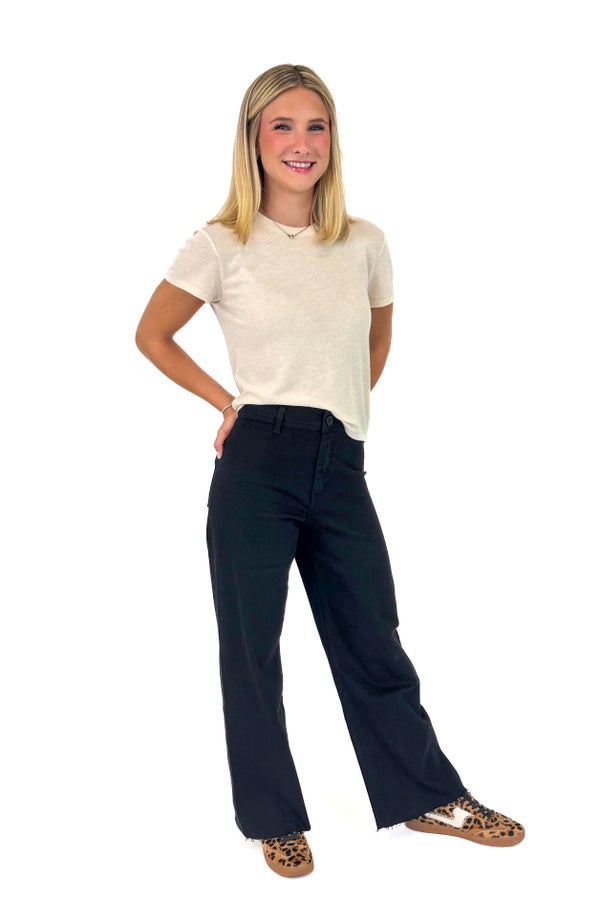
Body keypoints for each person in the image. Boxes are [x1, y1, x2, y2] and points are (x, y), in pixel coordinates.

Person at [135, 63, 525, 877]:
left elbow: (375, 340)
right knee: (252, 649)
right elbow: (153, 335)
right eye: (282, 126)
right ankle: (272, 819)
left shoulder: (364, 243)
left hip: (340, 456)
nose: (301, 143)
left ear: (332, 140)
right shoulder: (219, 244)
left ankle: (427, 798)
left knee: (372, 634)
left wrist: (339, 410)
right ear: (252, 139)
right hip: (256, 460)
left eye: (316, 127)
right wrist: (228, 405)